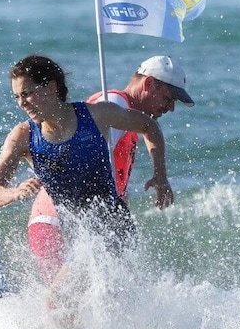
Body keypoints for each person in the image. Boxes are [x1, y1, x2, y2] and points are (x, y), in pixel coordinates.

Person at [0, 55, 173, 282]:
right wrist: (14, 193)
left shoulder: (97, 115)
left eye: (27, 93)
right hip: (74, 233)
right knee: (66, 303)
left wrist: (160, 175)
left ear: (52, 87)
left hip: (113, 226)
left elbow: (148, 125)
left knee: (84, 302)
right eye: (17, 97)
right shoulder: (23, 136)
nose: (22, 103)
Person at [26, 56, 192, 283]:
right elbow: (79, 164)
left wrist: (157, 178)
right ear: (149, 84)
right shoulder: (114, 102)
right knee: (66, 305)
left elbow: (107, 177)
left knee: (111, 296)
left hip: (76, 220)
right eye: (168, 98)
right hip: (59, 220)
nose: (171, 108)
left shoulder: (126, 117)